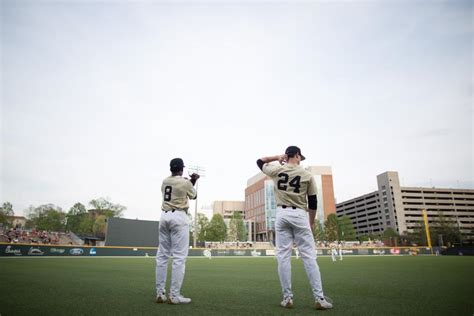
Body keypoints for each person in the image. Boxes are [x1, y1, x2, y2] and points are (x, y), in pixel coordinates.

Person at [257, 146, 333, 310]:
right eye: (300, 156)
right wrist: (311, 222)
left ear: (287, 155)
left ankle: (287, 298)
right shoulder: (306, 174)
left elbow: (259, 161)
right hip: (299, 214)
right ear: (297, 155)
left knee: (283, 257)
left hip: (281, 214)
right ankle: (319, 298)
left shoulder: (277, 169)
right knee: (309, 257)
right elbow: (313, 203)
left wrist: (277, 157)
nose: (301, 159)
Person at [155, 158, 200, 305]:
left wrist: (190, 180)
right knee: (179, 257)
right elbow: (193, 195)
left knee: (162, 256)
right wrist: (193, 180)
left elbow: (178, 189)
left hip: (164, 216)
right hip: (179, 217)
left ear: (171, 169)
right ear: (181, 169)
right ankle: (174, 295)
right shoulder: (185, 182)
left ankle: (160, 293)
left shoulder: (164, 181)